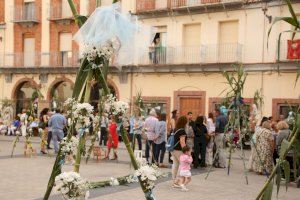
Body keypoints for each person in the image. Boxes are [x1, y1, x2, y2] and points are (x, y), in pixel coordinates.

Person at [171, 116, 188, 188]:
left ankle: (174, 180)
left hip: (173, 149)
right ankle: (177, 181)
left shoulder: (176, 129)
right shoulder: (182, 131)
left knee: (175, 165)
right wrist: (186, 151)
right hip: (179, 150)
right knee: (182, 166)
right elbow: (182, 142)